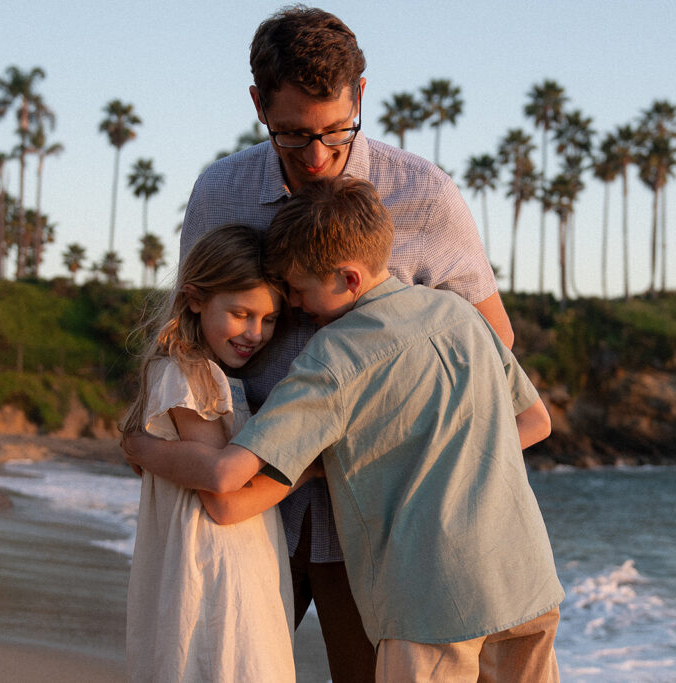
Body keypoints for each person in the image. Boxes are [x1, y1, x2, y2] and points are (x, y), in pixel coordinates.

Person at [169, 7, 515, 679]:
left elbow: (492, 348)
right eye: (293, 136)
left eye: (335, 130)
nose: (318, 157)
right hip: (247, 503)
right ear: (257, 106)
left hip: (377, 523)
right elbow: (190, 334)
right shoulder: (220, 193)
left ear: (360, 94)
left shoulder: (425, 197)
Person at [125, 177, 565, 682]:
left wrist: (140, 443)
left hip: (432, 601)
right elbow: (535, 421)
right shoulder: (457, 313)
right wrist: (448, 446)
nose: (294, 305)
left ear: (348, 279)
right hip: (527, 580)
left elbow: (226, 480)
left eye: (297, 288)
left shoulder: (334, 357)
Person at [120, 224, 313, 682]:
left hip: (229, 566)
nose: (256, 332)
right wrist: (307, 469)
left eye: (269, 319)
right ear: (194, 298)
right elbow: (224, 501)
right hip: (216, 573)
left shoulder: (212, 378)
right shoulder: (190, 374)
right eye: (241, 313)